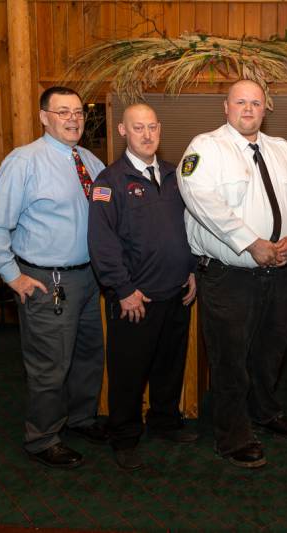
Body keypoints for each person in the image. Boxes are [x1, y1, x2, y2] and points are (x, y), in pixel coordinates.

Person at [177, 79, 287, 468]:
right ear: (226, 106)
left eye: (256, 103)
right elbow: (200, 199)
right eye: (241, 102)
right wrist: (250, 242)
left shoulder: (283, 150)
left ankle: (265, 413)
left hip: (279, 273)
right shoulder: (205, 148)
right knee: (230, 358)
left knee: (271, 351)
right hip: (230, 275)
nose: (249, 110)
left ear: (265, 109)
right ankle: (232, 435)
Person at [0, 86, 107, 469]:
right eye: (62, 112)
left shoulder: (90, 161)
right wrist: (12, 276)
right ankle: (43, 438)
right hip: (45, 281)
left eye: (79, 112)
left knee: (87, 357)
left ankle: (81, 419)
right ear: (44, 117)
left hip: (87, 279)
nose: (73, 119)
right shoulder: (24, 162)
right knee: (50, 364)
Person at [88, 103, 198, 471]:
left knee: (169, 365)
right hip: (135, 297)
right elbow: (101, 243)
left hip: (176, 293)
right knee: (128, 371)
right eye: (138, 128)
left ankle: (164, 421)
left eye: (152, 127)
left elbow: (188, 230)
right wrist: (123, 289)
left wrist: (192, 271)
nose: (147, 135)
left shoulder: (174, 175)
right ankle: (124, 434)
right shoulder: (109, 181)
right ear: (123, 131)